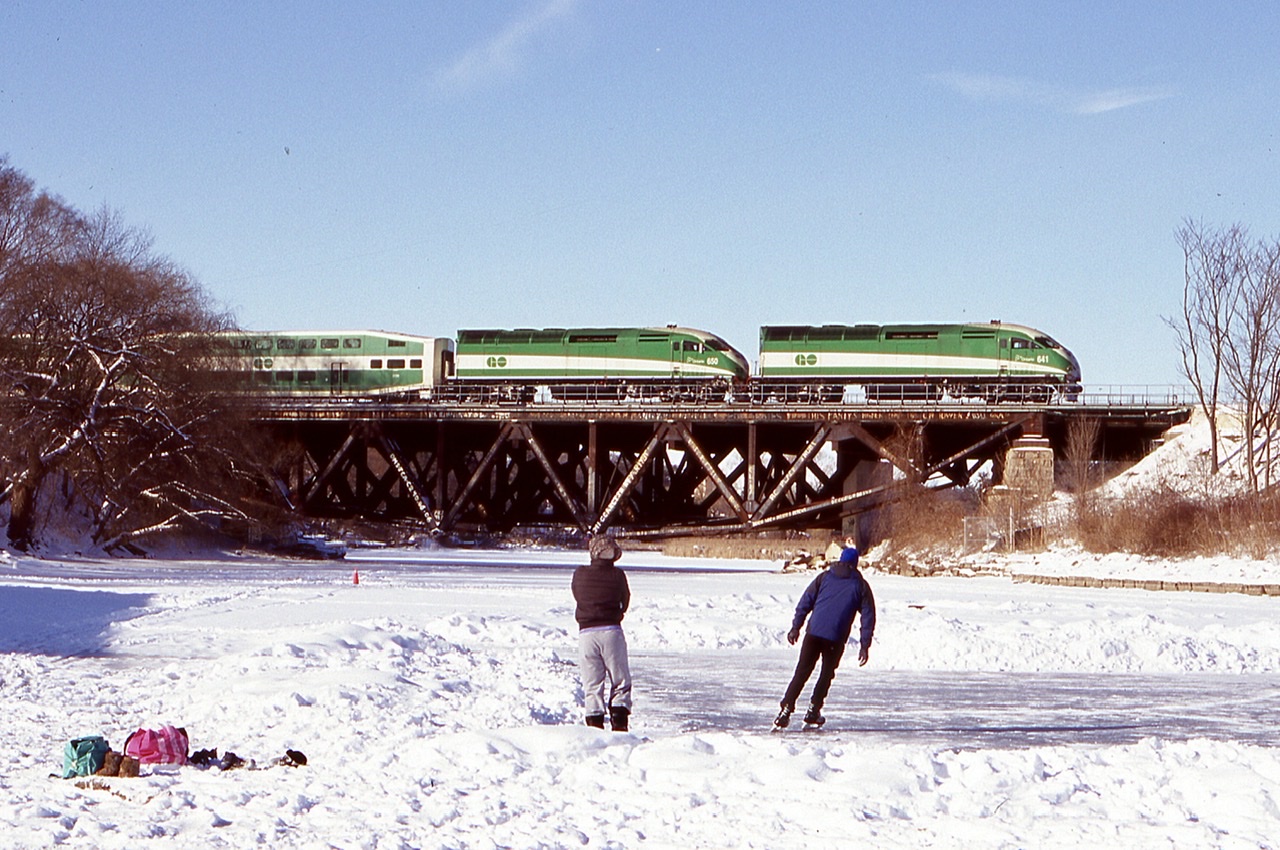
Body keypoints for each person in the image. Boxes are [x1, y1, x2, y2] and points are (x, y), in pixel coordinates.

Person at [775, 545, 876, 728]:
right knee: (826, 674)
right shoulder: (860, 585)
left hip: (813, 633)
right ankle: (813, 710)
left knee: (802, 672)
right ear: (855, 564)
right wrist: (864, 645)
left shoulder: (824, 577)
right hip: (835, 637)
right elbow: (868, 616)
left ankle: (786, 709)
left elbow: (805, 602)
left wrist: (795, 627)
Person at [572, 532, 632, 731]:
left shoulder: (579, 574)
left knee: (592, 684)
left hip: (586, 634)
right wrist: (617, 612)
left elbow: (577, 595)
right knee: (620, 680)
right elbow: (626, 600)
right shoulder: (618, 575)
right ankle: (620, 725)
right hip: (611, 631)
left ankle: (594, 728)